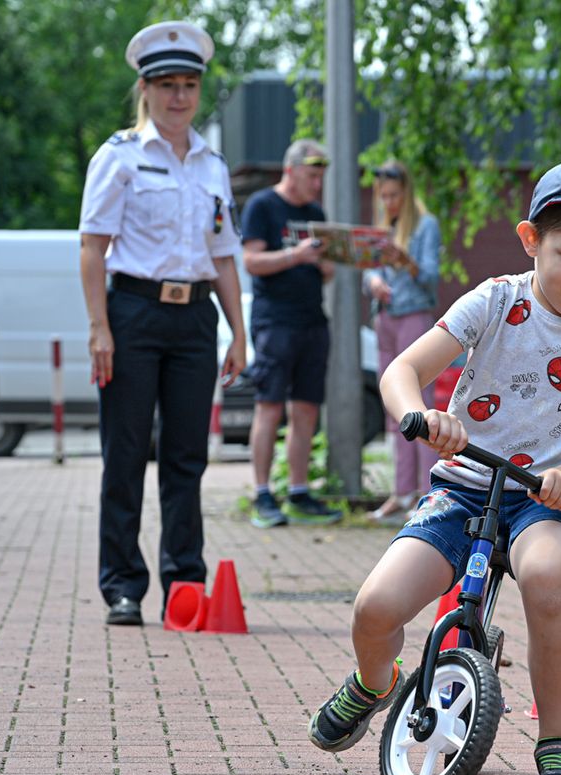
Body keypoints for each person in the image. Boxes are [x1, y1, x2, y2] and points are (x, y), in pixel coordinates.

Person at [308, 157, 561, 775]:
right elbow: (401, 370)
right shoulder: (496, 299)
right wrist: (422, 413)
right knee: (376, 606)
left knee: (549, 576)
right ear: (531, 240)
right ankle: (373, 681)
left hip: (543, 499)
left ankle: (556, 740)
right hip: (464, 483)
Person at [79, 21, 246, 627]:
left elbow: (225, 254)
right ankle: (123, 585)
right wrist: (100, 328)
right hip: (133, 313)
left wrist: (239, 334)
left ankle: (184, 584)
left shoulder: (212, 163)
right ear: (145, 89)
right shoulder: (119, 156)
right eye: (167, 84)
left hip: (195, 318)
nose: (179, 97)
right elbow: (92, 247)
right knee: (124, 454)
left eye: (189, 85)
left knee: (185, 458)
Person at [242, 140, 343, 527]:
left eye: (320, 177)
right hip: (274, 321)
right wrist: (295, 256)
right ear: (291, 170)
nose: (317, 185)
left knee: (305, 409)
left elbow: (328, 270)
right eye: (312, 176)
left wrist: (325, 264)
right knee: (269, 406)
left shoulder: (315, 213)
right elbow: (251, 261)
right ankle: (263, 494)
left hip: (312, 320)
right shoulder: (262, 206)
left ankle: (299, 493)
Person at [362, 160, 443, 520]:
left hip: (414, 316)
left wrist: (404, 260)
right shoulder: (383, 227)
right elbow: (370, 272)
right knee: (393, 408)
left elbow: (429, 279)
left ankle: (428, 493)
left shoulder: (426, 226)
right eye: (384, 196)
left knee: (420, 407)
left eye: (394, 195)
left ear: (406, 193)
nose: (388, 202)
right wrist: (373, 283)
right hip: (386, 319)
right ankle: (401, 491)